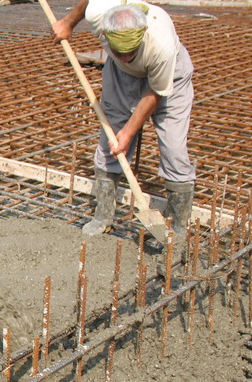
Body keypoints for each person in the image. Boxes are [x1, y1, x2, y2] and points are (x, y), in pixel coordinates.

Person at [51, 0, 196, 239]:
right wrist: (67, 23)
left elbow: (156, 94)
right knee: (109, 143)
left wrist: (128, 134)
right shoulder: (99, 15)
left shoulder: (162, 46)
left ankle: (178, 228)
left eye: (132, 52)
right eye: (120, 51)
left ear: (143, 34)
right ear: (104, 34)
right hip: (120, 76)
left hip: (170, 79)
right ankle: (104, 215)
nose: (127, 57)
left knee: (174, 149)